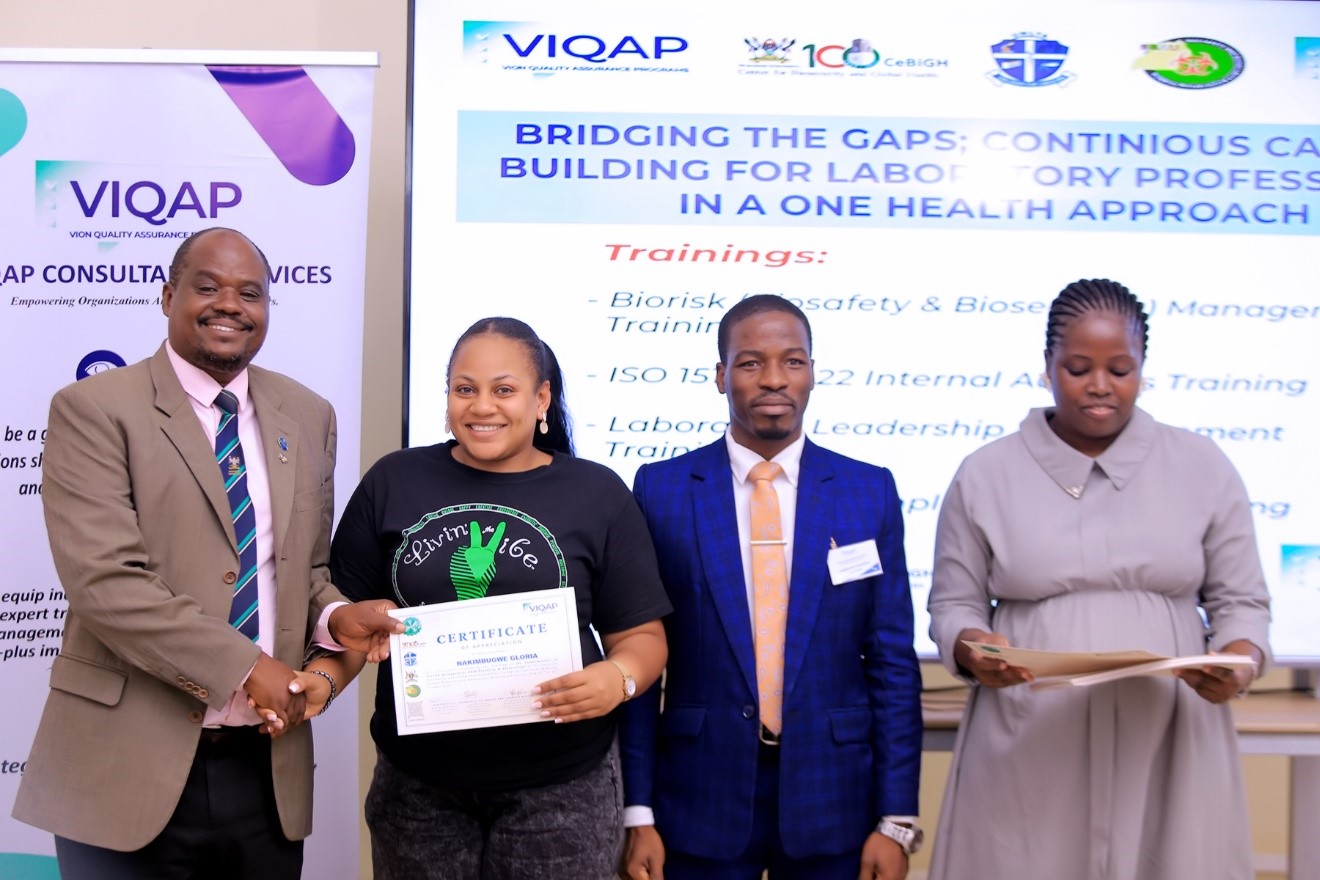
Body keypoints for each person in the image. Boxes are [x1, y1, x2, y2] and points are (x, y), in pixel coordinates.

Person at [12, 227, 402, 879]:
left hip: (265, 770)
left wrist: (338, 620)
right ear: (167, 296)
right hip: (123, 765)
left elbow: (301, 570)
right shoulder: (94, 409)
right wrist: (248, 666)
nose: (230, 304)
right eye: (208, 287)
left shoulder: (308, 415)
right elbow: (106, 584)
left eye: (250, 293)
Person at [927, 278, 1271, 880]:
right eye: (1079, 367)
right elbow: (954, 603)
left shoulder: (1202, 465)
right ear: (1047, 366)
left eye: (1120, 368)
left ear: (1143, 367)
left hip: (1169, 730)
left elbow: (1242, 602)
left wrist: (1238, 661)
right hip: (1029, 730)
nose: (1100, 386)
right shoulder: (984, 472)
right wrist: (972, 646)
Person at [330, 316, 672, 880]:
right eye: (465, 389)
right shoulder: (394, 480)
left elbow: (642, 637)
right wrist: (321, 681)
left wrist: (619, 680)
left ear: (542, 399)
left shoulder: (597, 492)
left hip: (564, 789)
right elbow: (344, 622)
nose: (482, 406)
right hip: (418, 792)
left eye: (503, 390)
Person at [619, 295, 924, 880]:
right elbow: (640, 655)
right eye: (751, 362)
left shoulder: (868, 492)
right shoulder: (661, 491)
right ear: (721, 375)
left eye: (793, 361)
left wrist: (896, 819)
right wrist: (638, 811)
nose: (775, 380)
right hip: (697, 798)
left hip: (834, 798)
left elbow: (891, 663)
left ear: (813, 372)